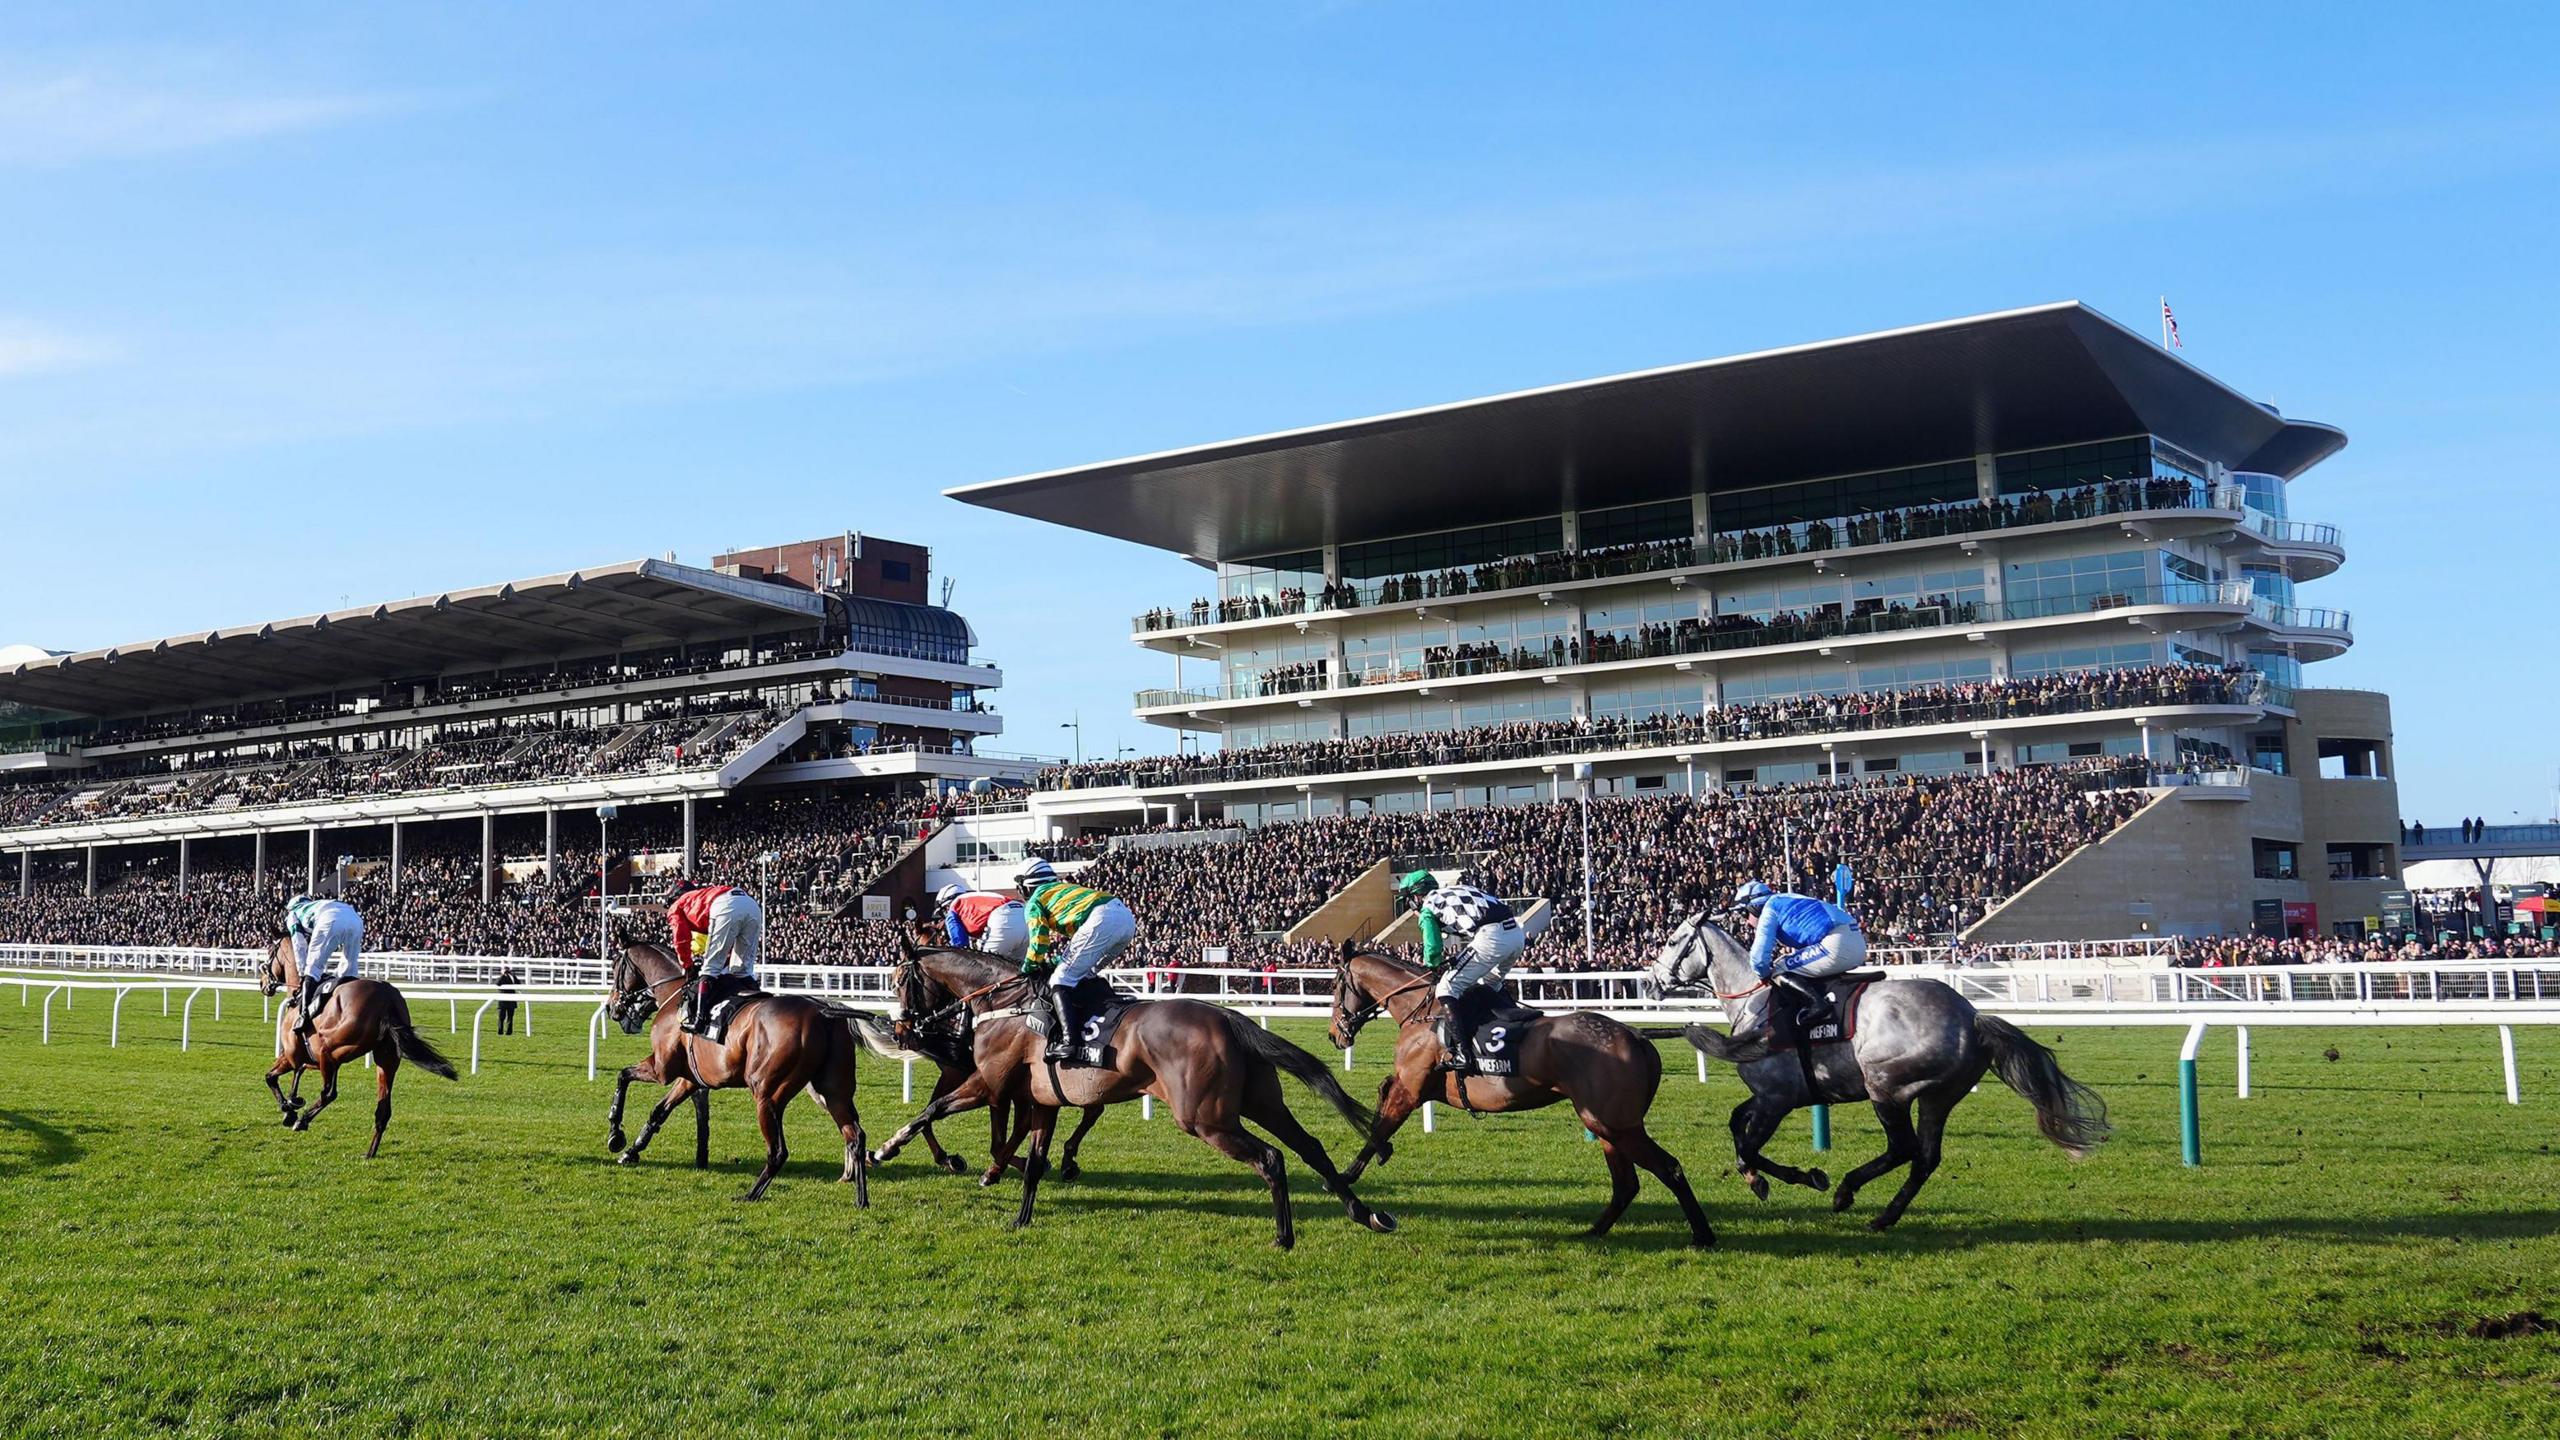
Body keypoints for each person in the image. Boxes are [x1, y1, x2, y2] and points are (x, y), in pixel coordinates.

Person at [1397, 869, 1524, 1068]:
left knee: (1446, 988)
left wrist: (1433, 965)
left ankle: (1462, 1053)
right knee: (1490, 985)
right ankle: (1519, 1030)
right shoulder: (1454, 890)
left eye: (1409, 900)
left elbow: (1433, 947)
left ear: (1416, 896)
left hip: (1492, 937)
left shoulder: (1428, 907)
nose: (1410, 906)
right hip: (1516, 934)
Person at [1016, 857, 1137, 1065]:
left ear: (1026, 885)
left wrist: (1028, 966)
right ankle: (1105, 1015)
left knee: (1060, 980)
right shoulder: (1063, 889)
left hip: (1101, 919)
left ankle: (1069, 1042)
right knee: (1086, 973)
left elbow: (1039, 941)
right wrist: (1055, 960)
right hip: (1126, 917)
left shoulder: (1035, 900)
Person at [1731, 879, 1866, 1040]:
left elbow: (1758, 958)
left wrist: (1764, 975)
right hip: (1853, 939)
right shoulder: (1784, 898)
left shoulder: (1769, 910)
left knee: (1779, 969)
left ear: (1754, 907)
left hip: (1838, 942)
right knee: (1786, 962)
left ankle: (1817, 1005)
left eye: (1745, 913)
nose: (1746, 921)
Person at [665, 876, 763, 1033]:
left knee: (709, 969)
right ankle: (762, 1003)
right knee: (742, 971)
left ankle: (699, 1020)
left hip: (725, 906)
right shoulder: (702, 896)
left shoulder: (676, 905)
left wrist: (687, 965)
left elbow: (680, 938)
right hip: (751, 904)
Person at [283, 893, 363, 1034]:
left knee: (313, 968)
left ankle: (304, 1016)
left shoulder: (293, 914)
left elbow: (299, 943)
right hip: (355, 918)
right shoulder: (317, 904)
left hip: (330, 919)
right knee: (349, 970)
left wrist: (303, 972)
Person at [936, 880, 1029, 961]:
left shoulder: (954, 907)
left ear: (946, 906)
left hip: (1003, 918)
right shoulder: (974, 899)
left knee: (982, 967)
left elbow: (960, 944)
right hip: (1022, 913)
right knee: (1020, 970)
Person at [495, 963, 521, 1035]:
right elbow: (498, 983)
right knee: (501, 1017)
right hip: (503, 1000)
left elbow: (518, 983)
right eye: (505, 969)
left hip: (511, 999)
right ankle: (500, 1031)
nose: (506, 970)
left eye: (507, 969)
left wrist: (513, 975)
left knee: (510, 1017)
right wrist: (503, 975)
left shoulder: (512, 977)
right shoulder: (500, 977)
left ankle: (509, 1032)